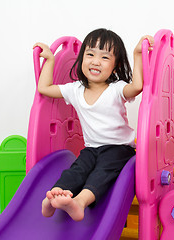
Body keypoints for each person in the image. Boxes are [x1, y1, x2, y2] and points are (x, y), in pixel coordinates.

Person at [34, 28, 154, 221]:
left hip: (119, 149)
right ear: (82, 59)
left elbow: (137, 87)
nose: (96, 61)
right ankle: (54, 195)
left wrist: (137, 53)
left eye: (105, 57)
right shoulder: (75, 89)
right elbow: (44, 88)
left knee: (103, 172)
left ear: (115, 67)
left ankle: (80, 202)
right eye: (90, 54)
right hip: (91, 149)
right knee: (77, 169)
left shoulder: (116, 89)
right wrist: (50, 60)